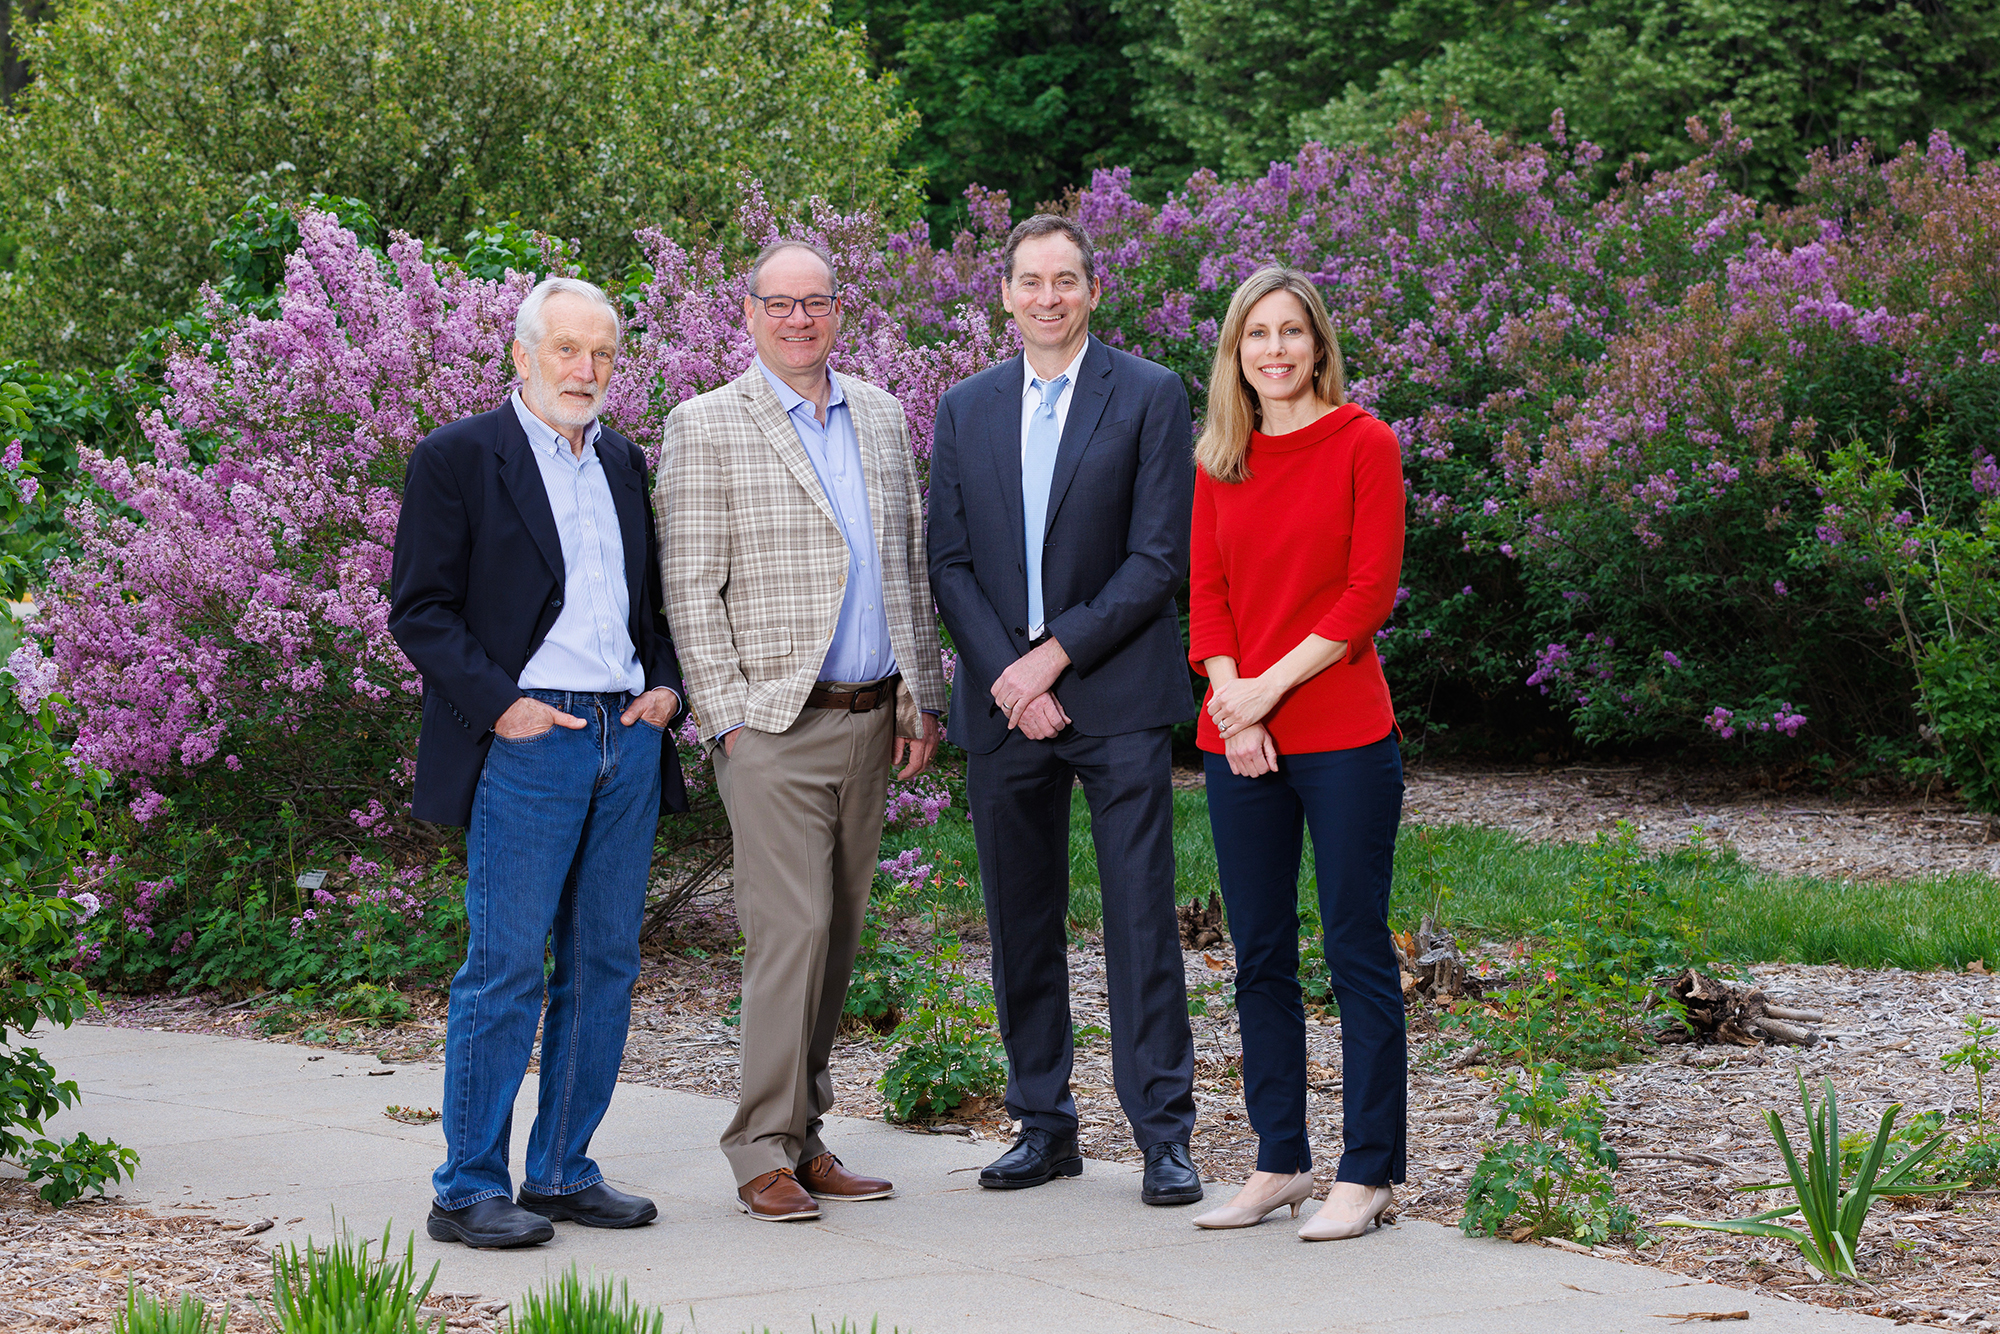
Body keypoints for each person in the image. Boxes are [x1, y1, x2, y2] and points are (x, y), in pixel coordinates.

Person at [389, 276, 690, 1249]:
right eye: (565, 349)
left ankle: (560, 1169)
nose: (585, 369)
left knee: (604, 962)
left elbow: (647, 607)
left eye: (601, 353)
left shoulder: (622, 461)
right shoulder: (458, 458)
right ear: (521, 355)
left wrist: (665, 687)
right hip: (530, 738)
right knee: (506, 967)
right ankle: (468, 1184)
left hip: (626, 735)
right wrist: (504, 706)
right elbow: (420, 609)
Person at [660, 240, 948, 1223]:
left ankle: (803, 1133)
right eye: (777, 304)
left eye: (814, 301)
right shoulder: (704, 424)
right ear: (746, 314)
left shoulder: (878, 413)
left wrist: (922, 691)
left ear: (838, 309)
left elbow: (902, 564)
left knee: (840, 933)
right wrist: (727, 714)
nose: (797, 319)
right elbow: (688, 584)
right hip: (773, 725)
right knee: (794, 928)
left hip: (871, 716)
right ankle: (756, 1148)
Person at [928, 215, 1202, 1207]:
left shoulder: (1148, 394)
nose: (1047, 296)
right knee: (1020, 920)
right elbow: (947, 563)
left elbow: (1156, 559)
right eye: (1029, 281)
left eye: (1066, 280)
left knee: (1138, 919)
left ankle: (1164, 1135)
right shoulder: (964, 407)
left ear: (1092, 291)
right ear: (1003, 295)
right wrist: (1011, 676)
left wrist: (1051, 657)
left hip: (1116, 694)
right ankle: (1041, 1125)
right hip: (1004, 705)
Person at [1183, 266, 1407, 1241]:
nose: (1272, 350)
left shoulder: (1363, 442)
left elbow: (1365, 594)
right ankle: (1279, 1158)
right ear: (1235, 352)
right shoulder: (1218, 458)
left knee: (1354, 947)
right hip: (1238, 739)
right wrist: (1232, 710)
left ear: (1317, 344)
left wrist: (1260, 692)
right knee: (1258, 954)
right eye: (1253, 335)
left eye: (1289, 332)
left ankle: (1366, 1171)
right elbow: (1207, 596)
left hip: (1343, 733)